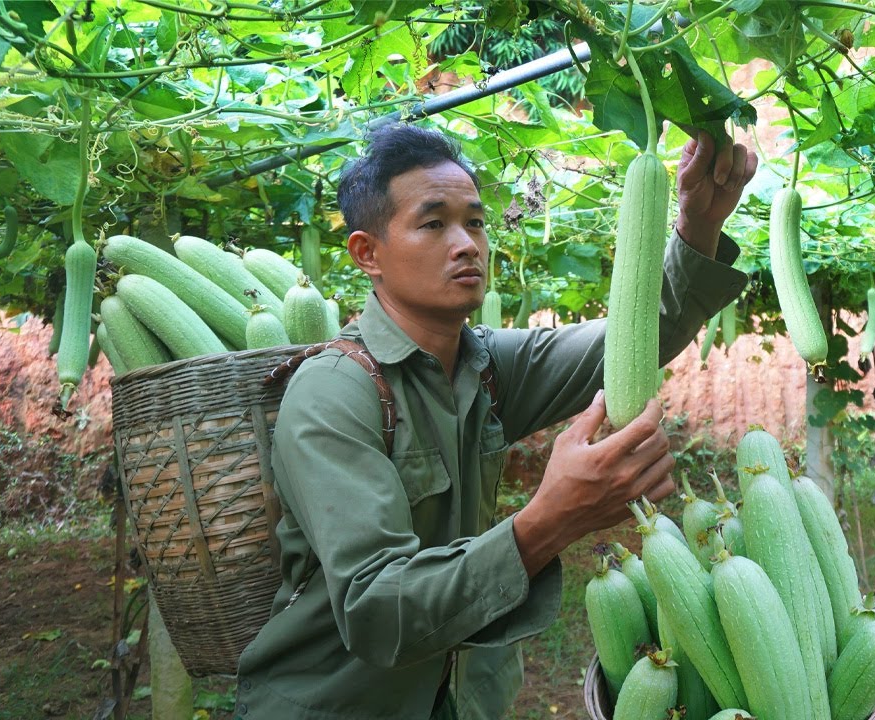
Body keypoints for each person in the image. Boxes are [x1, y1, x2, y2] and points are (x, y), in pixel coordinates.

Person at [234, 123, 757, 720]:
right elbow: (377, 609)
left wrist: (699, 224)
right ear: (367, 253)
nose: (467, 244)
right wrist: (550, 520)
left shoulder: (484, 364)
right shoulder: (334, 391)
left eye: (475, 222)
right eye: (433, 224)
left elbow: (637, 337)